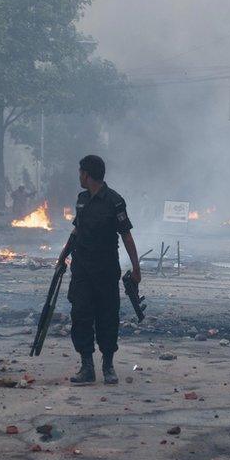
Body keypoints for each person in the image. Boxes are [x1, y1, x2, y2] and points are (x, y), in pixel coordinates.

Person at [56, 155, 141, 385]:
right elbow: (76, 231)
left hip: (105, 270)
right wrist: (63, 256)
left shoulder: (114, 201)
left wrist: (136, 268)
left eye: (81, 172)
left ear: (88, 174)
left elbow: (126, 236)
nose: (79, 177)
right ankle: (86, 366)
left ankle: (108, 365)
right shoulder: (82, 200)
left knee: (107, 316)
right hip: (82, 270)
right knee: (81, 315)